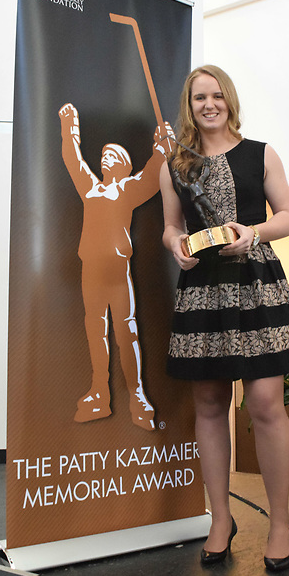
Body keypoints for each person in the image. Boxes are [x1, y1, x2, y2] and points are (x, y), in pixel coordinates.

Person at [159, 66, 289, 572]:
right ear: (189, 104)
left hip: (256, 283)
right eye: (199, 97)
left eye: (217, 95)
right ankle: (220, 518)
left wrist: (256, 232)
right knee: (209, 401)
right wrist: (175, 246)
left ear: (229, 100)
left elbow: (288, 216)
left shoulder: (260, 153)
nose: (209, 104)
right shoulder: (175, 164)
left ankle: (281, 524)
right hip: (202, 290)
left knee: (267, 403)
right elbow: (170, 228)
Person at [59, 102, 173, 431]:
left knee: (127, 332)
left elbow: (152, 174)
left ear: (123, 166)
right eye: (104, 153)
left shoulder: (126, 190)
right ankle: (99, 391)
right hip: (91, 272)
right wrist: (70, 129)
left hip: (118, 275)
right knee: (95, 331)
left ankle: (137, 396)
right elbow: (73, 160)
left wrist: (162, 146)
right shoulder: (91, 190)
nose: (106, 156)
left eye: (114, 154)